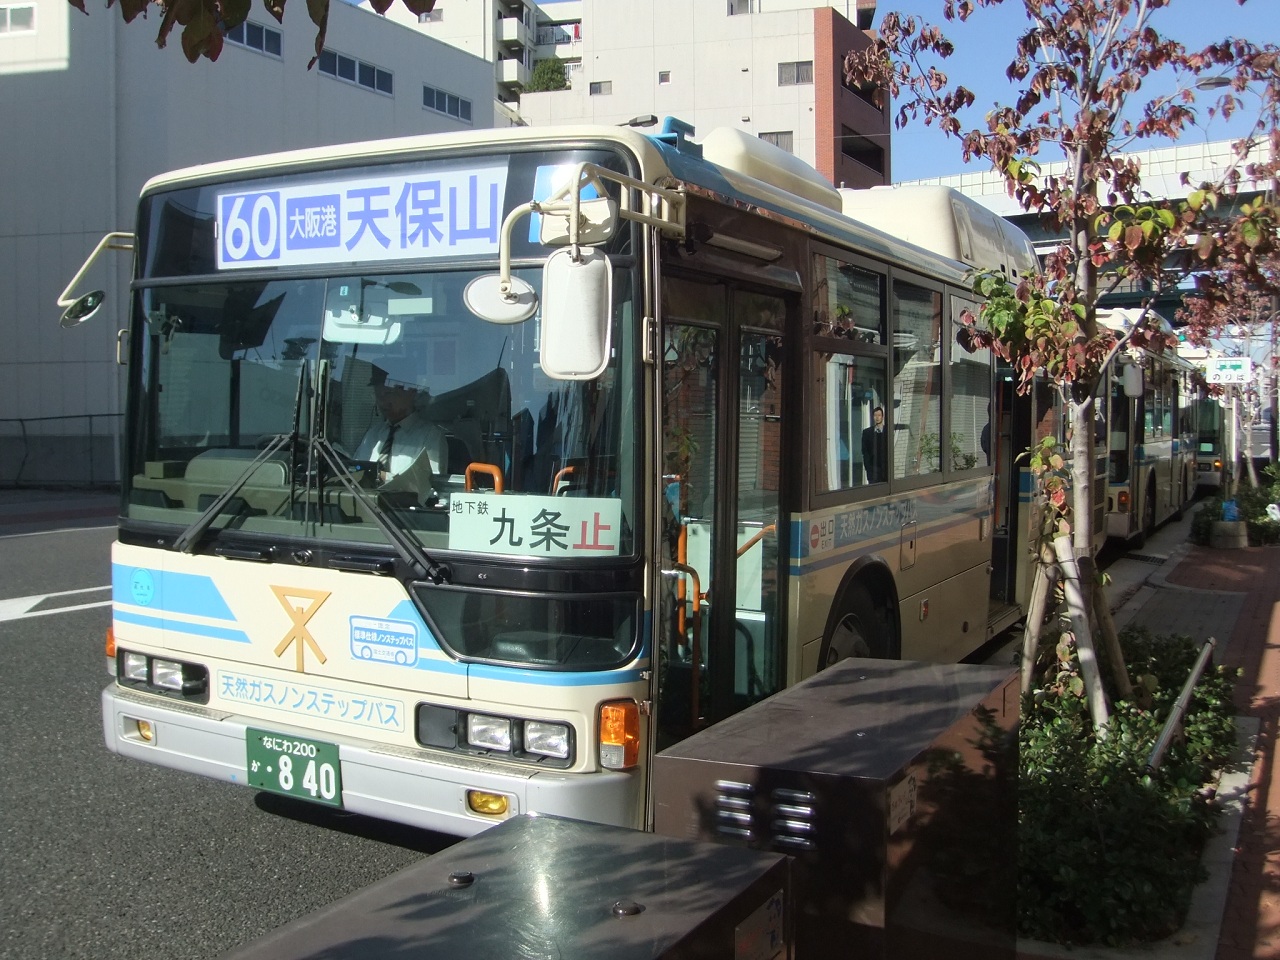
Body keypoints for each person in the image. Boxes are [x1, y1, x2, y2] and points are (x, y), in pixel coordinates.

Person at [354, 365, 446, 504]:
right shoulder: (373, 435)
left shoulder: (430, 436)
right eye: (378, 395)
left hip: (405, 513)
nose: (382, 402)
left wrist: (381, 477)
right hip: (366, 508)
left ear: (411, 392)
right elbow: (354, 472)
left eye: (388, 394)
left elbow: (431, 489)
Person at [861, 405, 888, 483]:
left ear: (882, 417)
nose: (877, 417)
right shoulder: (867, 432)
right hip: (872, 469)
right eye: (875, 415)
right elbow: (864, 451)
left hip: (885, 469)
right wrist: (868, 468)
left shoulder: (888, 431)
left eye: (879, 415)